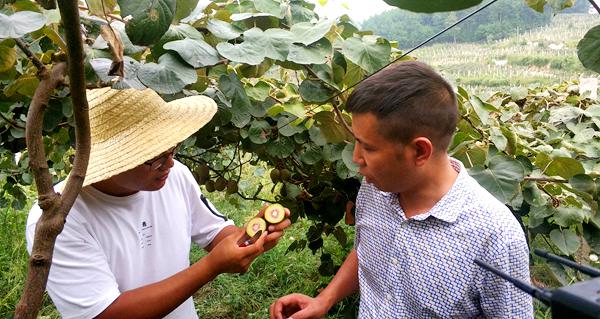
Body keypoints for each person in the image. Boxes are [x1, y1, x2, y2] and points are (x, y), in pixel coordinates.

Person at [269, 61, 532, 319]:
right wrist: (324, 300)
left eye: (369, 148)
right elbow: (367, 251)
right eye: (356, 142)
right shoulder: (376, 189)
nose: (356, 158)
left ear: (419, 151)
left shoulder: (496, 237)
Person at [26, 87, 291, 319]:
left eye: (172, 149)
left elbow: (215, 234)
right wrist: (211, 267)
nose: (170, 163)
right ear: (112, 162)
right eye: (155, 157)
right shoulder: (58, 220)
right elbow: (105, 313)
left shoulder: (175, 176)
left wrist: (251, 237)